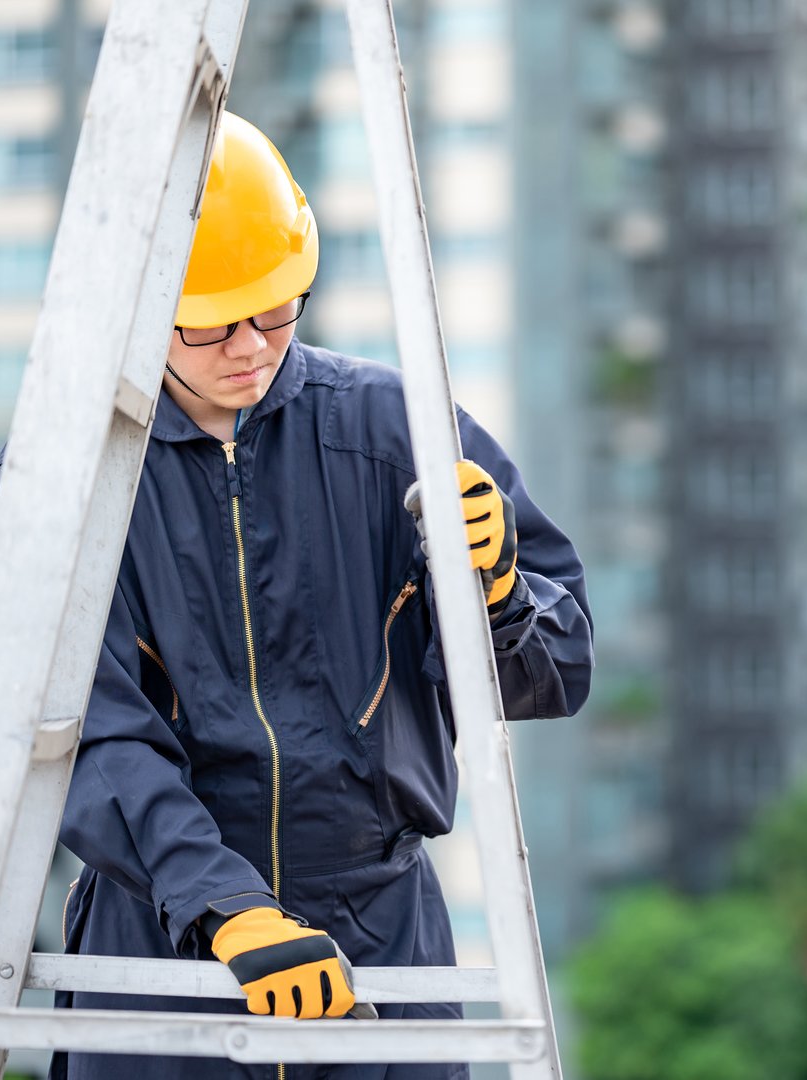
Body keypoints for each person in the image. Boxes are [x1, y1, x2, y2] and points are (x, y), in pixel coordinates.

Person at [43, 112, 593, 1080]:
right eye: (211, 323)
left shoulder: (395, 429)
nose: (250, 346)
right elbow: (91, 730)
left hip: (378, 937)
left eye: (276, 309)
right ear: (138, 302)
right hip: (163, 939)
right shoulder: (76, 471)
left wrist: (502, 594)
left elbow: (554, 676)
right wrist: (223, 904)